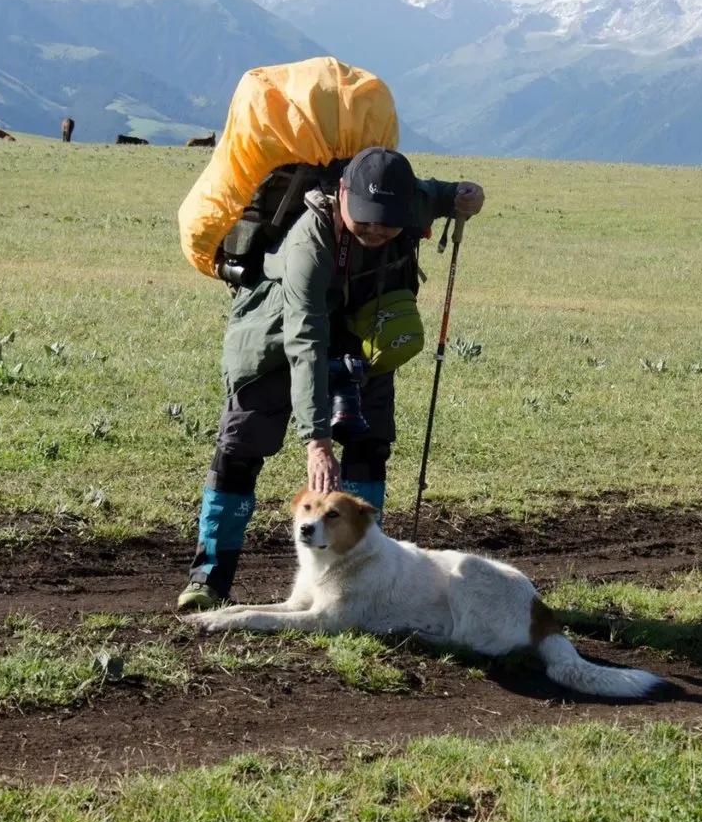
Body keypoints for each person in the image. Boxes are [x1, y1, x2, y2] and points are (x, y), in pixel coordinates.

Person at [177, 146, 485, 612]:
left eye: (388, 222)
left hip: (361, 338)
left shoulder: (406, 201)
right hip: (279, 341)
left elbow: (439, 195)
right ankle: (209, 576)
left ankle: (362, 582)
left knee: (369, 443)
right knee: (241, 447)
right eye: (364, 221)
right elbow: (305, 344)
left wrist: (465, 197)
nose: (377, 231)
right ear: (342, 195)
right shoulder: (308, 243)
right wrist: (316, 440)